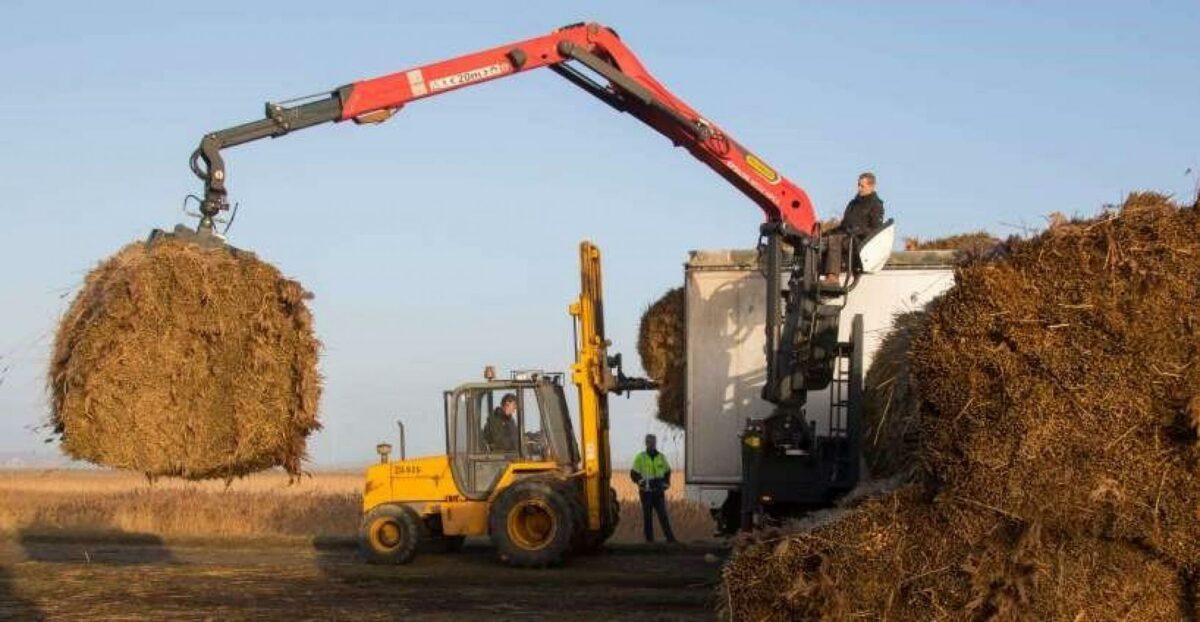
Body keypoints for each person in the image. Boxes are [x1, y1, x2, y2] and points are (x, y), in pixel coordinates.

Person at [823, 172, 885, 283]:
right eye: (858, 185)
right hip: (846, 236)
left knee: (835, 240)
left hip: (861, 241)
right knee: (823, 240)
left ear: (871, 186)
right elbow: (843, 225)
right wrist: (825, 233)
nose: (859, 188)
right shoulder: (853, 203)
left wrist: (856, 231)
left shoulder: (876, 205)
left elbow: (876, 230)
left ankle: (832, 277)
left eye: (862, 186)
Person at [631, 434, 677, 543]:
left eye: (653, 442)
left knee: (663, 516)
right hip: (646, 493)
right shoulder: (640, 457)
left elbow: (667, 471)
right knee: (648, 518)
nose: (651, 444)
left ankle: (671, 540)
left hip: (658, 492)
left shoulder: (661, 457)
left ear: (655, 443)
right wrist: (640, 481)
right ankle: (650, 541)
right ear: (646, 443)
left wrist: (667, 483)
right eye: (649, 442)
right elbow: (633, 473)